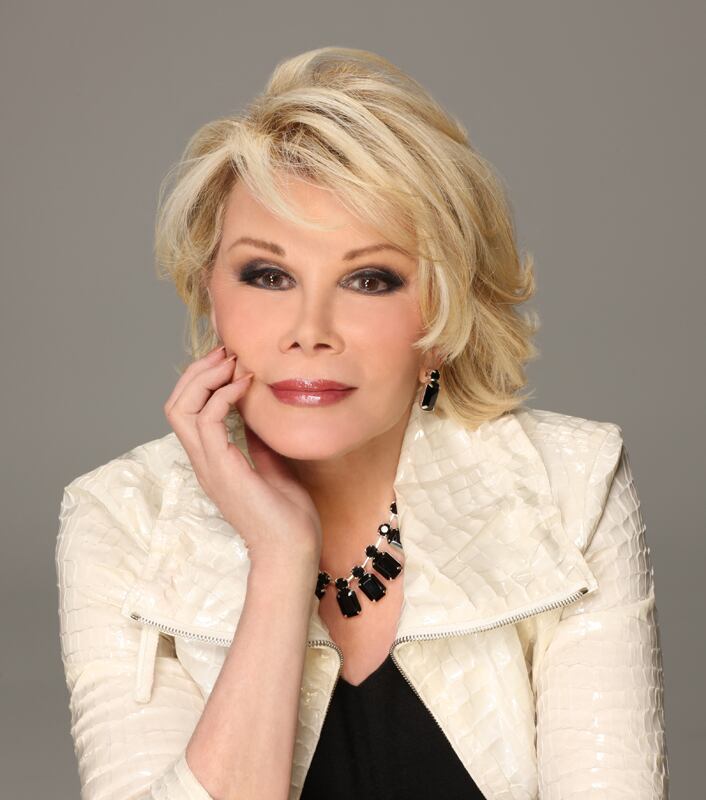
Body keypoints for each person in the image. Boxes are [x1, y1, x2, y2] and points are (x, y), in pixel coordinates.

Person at [55, 46, 669, 800]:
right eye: (269, 275)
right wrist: (281, 560)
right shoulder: (124, 519)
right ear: (211, 294)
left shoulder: (570, 489)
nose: (310, 331)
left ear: (441, 317)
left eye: (369, 279)